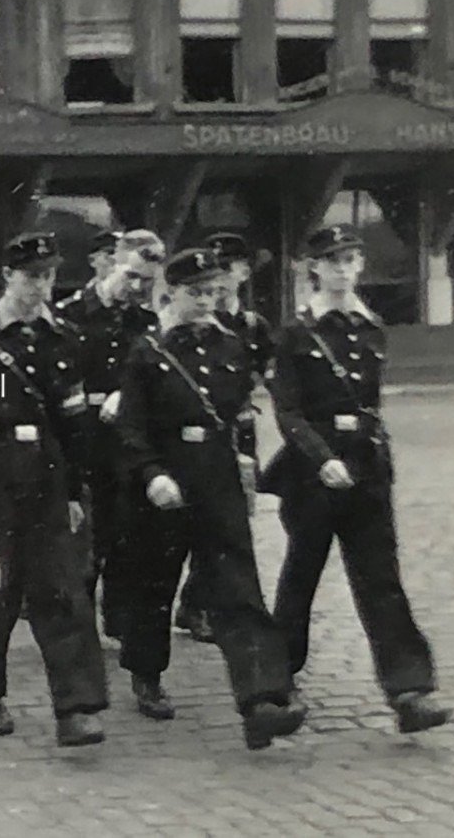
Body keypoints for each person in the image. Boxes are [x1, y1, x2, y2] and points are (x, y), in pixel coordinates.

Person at [114, 246, 304, 750]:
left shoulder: (233, 345)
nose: (204, 302)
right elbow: (130, 426)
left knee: (238, 583)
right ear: (171, 292)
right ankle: (146, 673)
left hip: (216, 477)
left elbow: (242, 410)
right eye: (194, 293)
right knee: (156, 583)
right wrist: (151, 474)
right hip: (165, 482)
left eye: (212, 293)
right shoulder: (148, 352)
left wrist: (246, 468)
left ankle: (262, 697)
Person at [263, 226, 450, 735]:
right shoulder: (297, 333)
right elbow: (289, 411)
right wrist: (321, 458)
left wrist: (369, 457)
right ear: (315, 269)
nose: (344, 269)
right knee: (301, 576)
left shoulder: (371, 327)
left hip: (366, 469)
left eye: (351, 260)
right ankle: (274, 685)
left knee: (381, 579)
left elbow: (371, 403)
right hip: (314, 474)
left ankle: (409, 689)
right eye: (334, 260)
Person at [0, 231, 108, 746]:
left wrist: (79, 490)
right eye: (31, 276)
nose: (41, 286)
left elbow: (74, 420)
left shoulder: (64, 338)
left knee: (62, 590)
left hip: (48, 479)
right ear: (8, 277)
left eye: (49, 276)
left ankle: (76, 706)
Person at [56, 228, 162, 642]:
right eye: (130, 275)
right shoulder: (71, 313)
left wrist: (126, 394)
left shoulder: (145, 321)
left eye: (145, 281)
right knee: (82, 537)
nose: (134, 287)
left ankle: (119, 622)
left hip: (124, 436)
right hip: (82, 434)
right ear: (110, 261)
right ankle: (76, 624)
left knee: (125, 532)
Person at [174, 231, 273, 643]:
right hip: (193, 436)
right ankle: (195, 604)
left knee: (230, 524)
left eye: (227, 269)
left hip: (237, 433)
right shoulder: (188, 322)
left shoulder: (251, 324)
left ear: (244, 272)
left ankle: (199, 602)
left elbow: (269, 373)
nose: (218, 281)